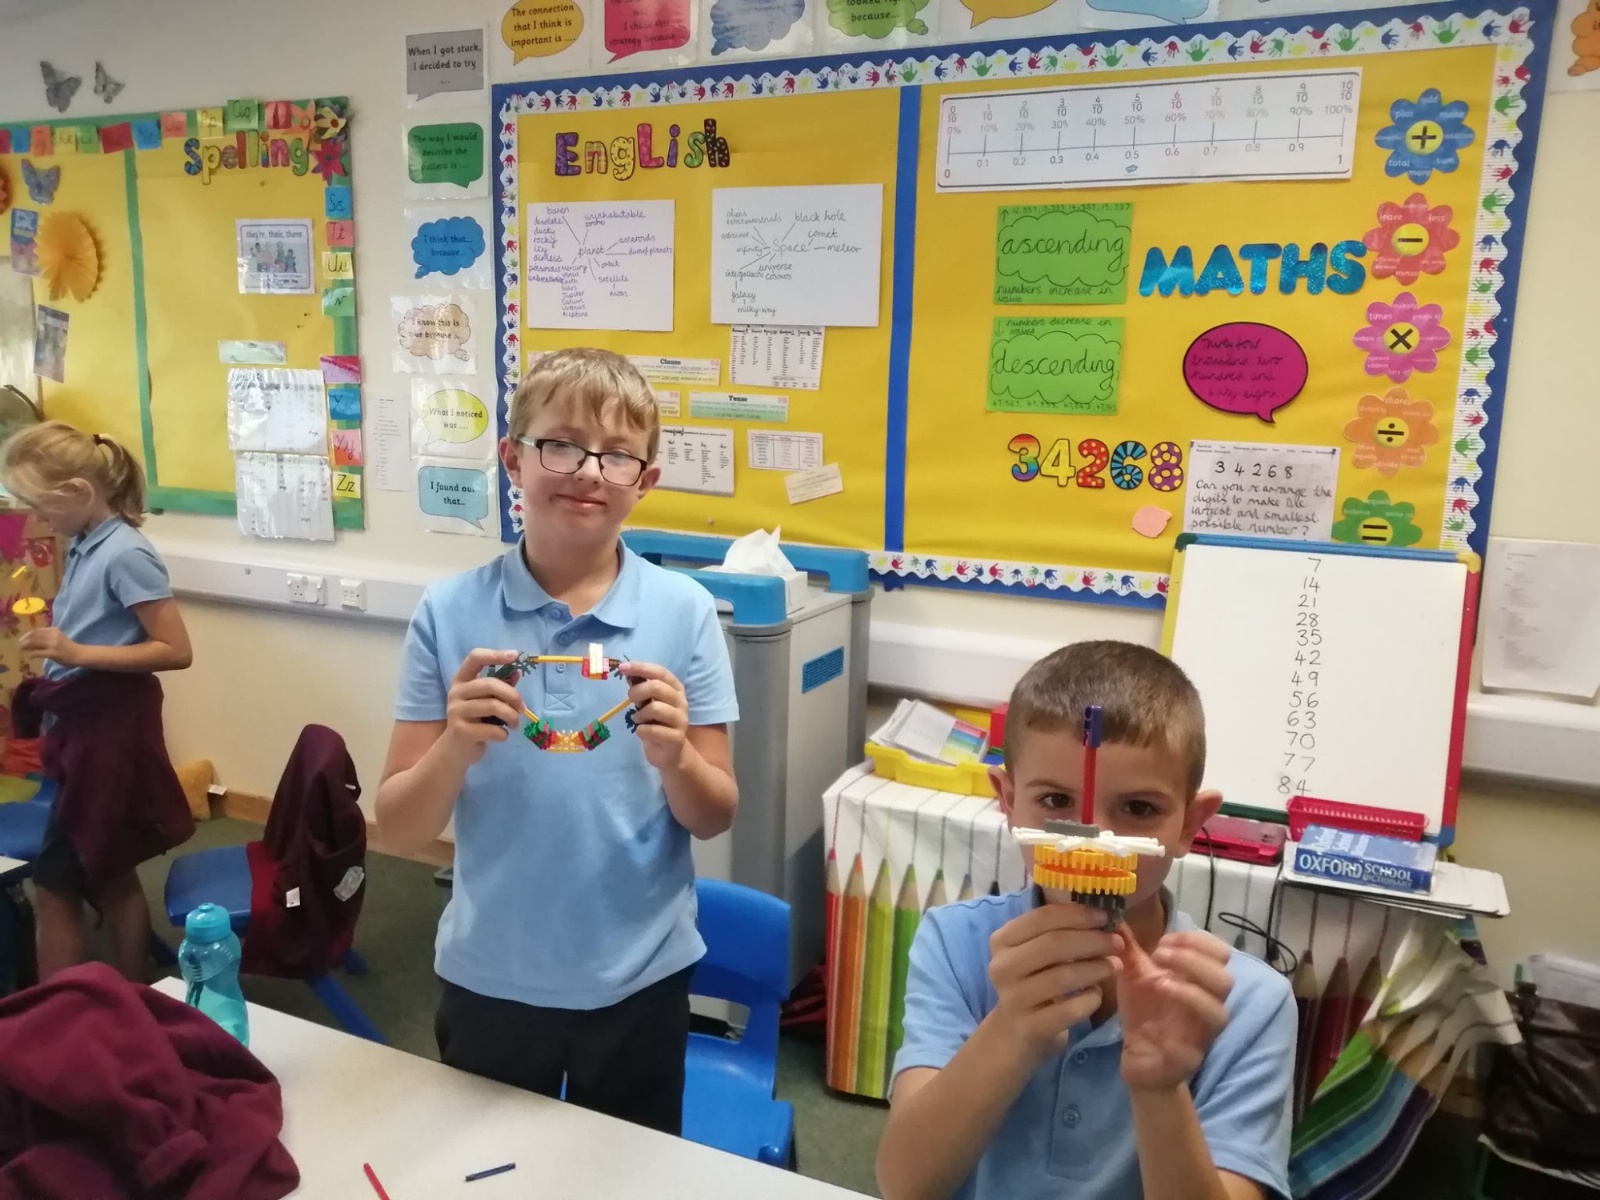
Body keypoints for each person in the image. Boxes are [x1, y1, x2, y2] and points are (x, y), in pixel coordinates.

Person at [376, 347, 739, 1135]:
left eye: (618, 455)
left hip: (640, 978)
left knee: (626, 1173)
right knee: (488, 1168)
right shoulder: (448, 612)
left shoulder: (684, 612)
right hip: (492, 974)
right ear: (513, 458)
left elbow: (714, 815)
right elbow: (398, 830)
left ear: (646, 480)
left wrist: (677, 758)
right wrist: (453, 750)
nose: (590, 472)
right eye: (562, 445)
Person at [877, 641, 1296, 1200]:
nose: (1092, 842)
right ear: (1008, 801)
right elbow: (905, 1184)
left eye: (1139, 808)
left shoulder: (1246, 1003)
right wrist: (1013, 1029)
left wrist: (1160, 1089)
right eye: (1055, 801)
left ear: (1189, 824)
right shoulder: (955, 944)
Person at [0, 422, 194, 982]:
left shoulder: (125, 553)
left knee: (56, 884)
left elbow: (176, 650)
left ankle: (59, 1009)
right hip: (85, 726)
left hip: (109, 732)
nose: (39, 518)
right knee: (109, 870)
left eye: (42, 504)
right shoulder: (87, 544)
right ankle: (128, 994)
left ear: (79, 492)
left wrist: (75, 651)